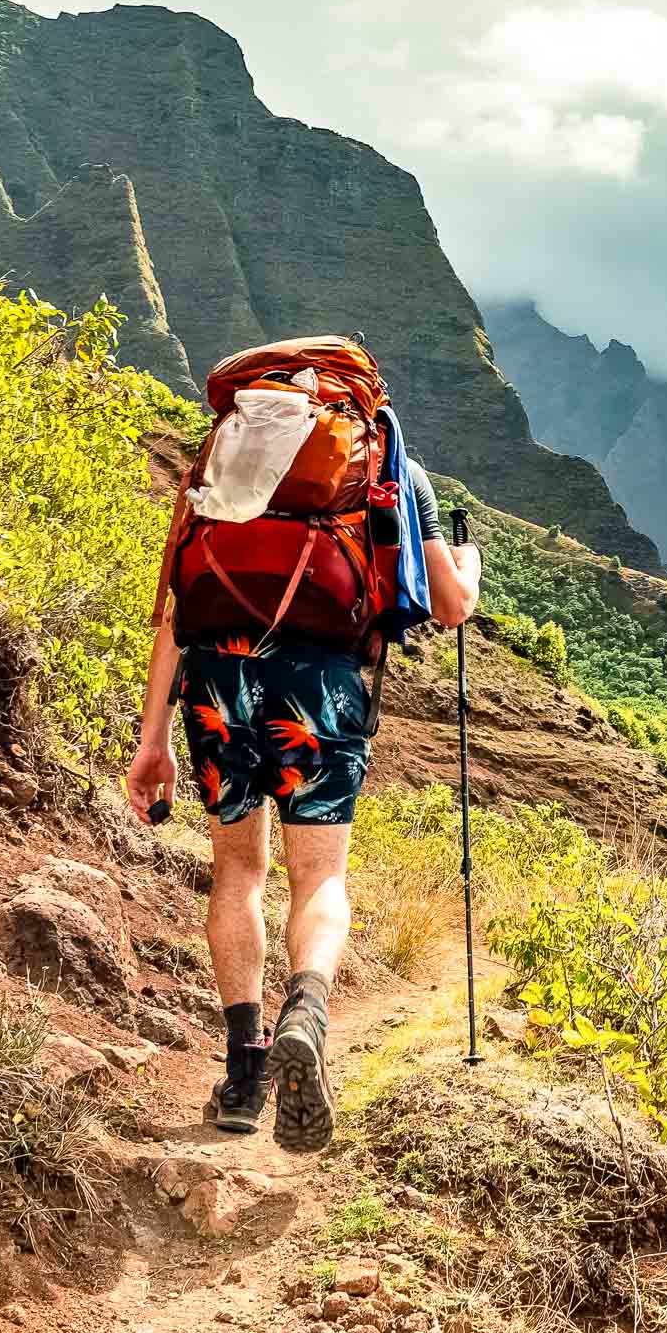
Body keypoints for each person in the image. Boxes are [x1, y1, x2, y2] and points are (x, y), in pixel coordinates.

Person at [122, 462, 479, 1151]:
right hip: (322, 681)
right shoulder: (386, 463)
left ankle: (244, 1074)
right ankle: (305, 1015)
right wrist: (470, 560)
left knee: (238, 872)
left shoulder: (219, 454)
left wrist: (153, 737)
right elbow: (451, 603)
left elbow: (176, 609)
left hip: (217, 674)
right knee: (318, 877)